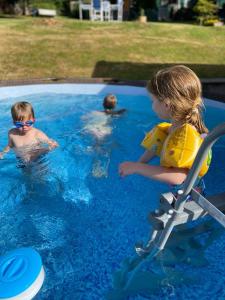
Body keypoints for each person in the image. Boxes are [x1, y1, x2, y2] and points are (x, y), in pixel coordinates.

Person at [119, 65, 211, 192]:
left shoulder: (185, 135)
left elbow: (178, 177)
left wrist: (136, 168)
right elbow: (157, 144)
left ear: (167, 104)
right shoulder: (177, 127)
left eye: (153, 100)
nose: (152, 105)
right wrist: (139, 163)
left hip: (187, 200)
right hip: (181, 193)